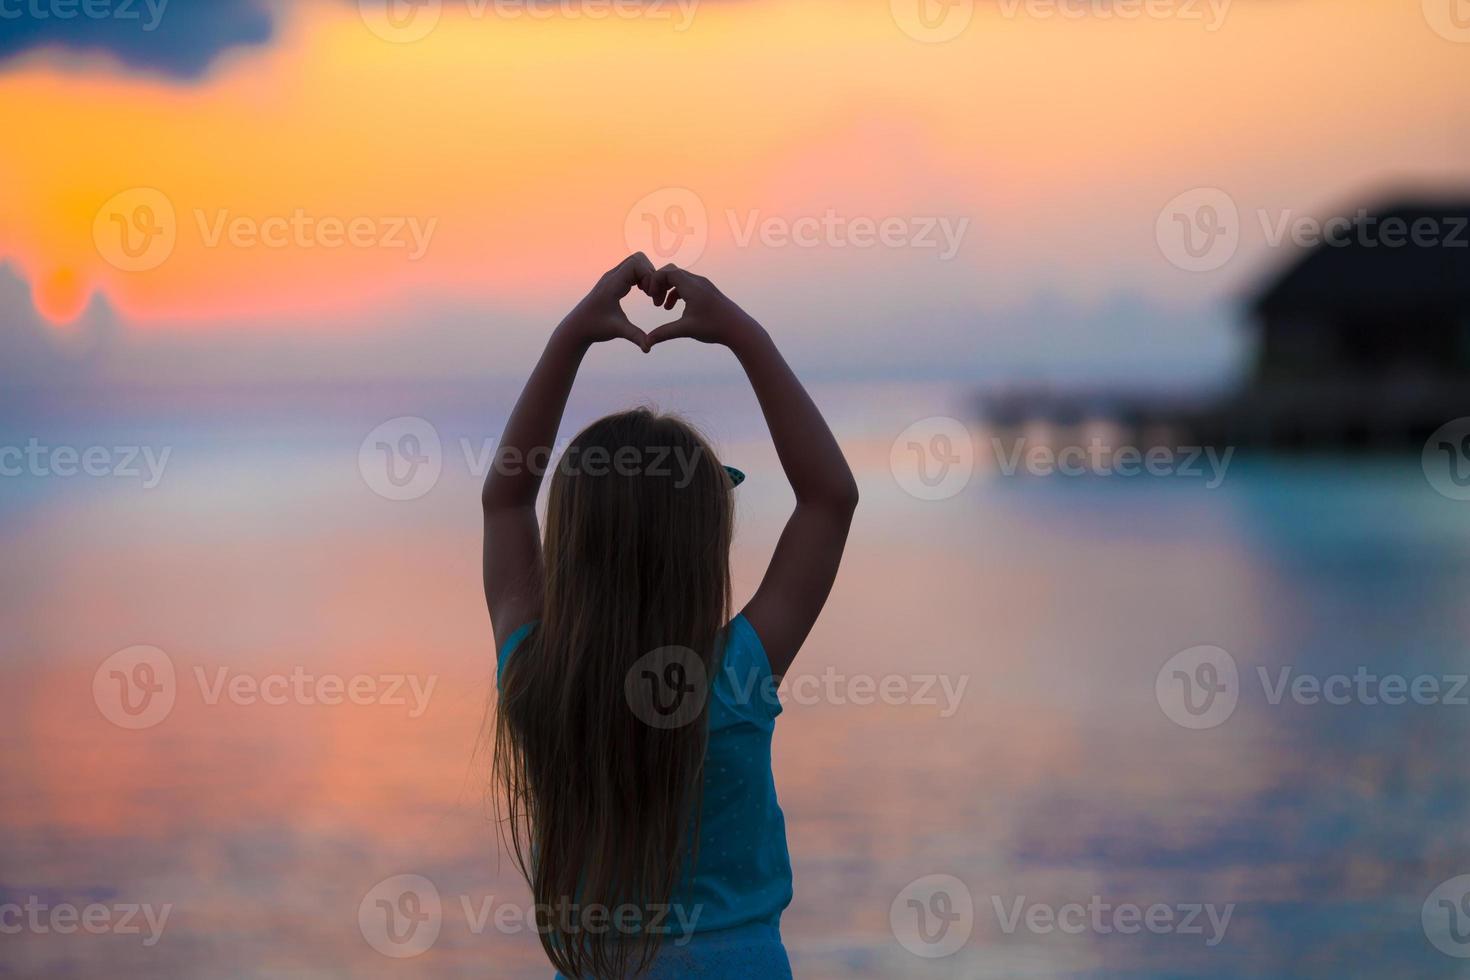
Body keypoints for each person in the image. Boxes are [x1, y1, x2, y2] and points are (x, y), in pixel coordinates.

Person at [484, 253, 858, 978]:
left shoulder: (536, 682)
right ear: (702, 550)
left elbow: (505, 502)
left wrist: (570, 339)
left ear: (571, 544)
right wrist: (742, 334)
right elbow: (828, 497)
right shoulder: (732, 680)